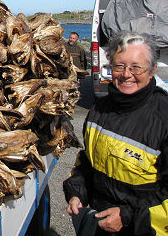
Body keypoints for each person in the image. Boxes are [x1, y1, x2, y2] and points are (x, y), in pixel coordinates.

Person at [63, 31, 168, 236]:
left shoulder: (163, 119)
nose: (127, 74)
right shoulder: (99, 110)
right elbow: (86, 161)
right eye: (119, 66)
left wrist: (128, 216)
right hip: (99, 223)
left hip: (142, 229)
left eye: (136, 67)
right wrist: (77, 192)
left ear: (153, 69)